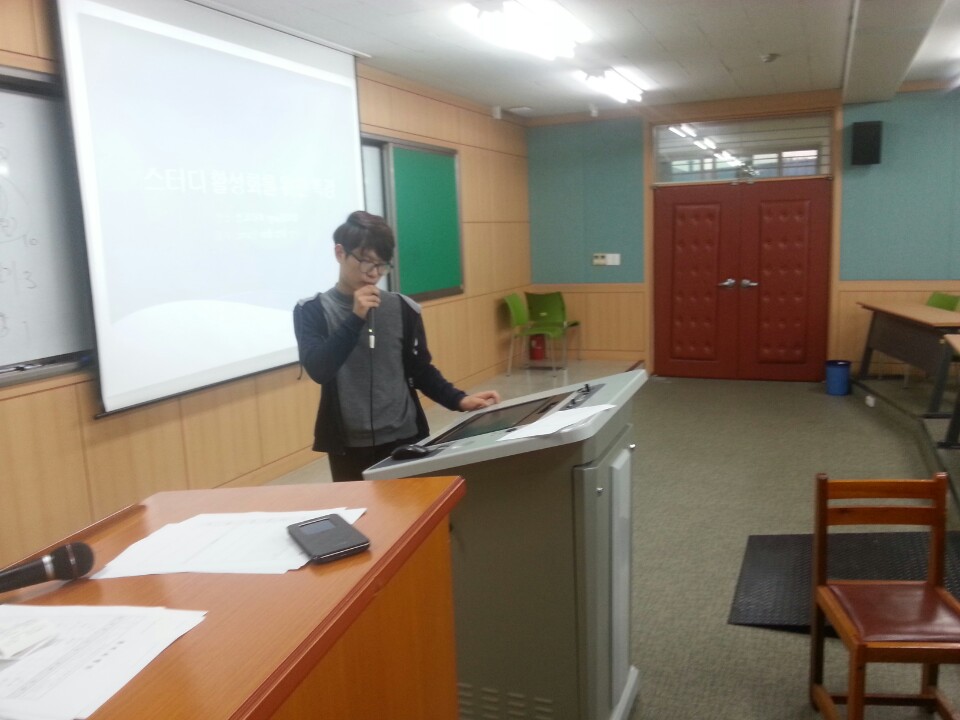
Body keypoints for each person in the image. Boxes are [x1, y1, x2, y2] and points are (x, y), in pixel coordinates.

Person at [293, 210, 500, 481]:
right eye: (365, 262)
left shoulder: (403, 308)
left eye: (381, 265)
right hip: (349, 446)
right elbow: (319, 369)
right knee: (359, 509)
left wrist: (458, 399)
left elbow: (420, 370)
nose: (373, 274)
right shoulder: (311, 310)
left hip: (405, 437)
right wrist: (355, 318)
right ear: (340, 253)